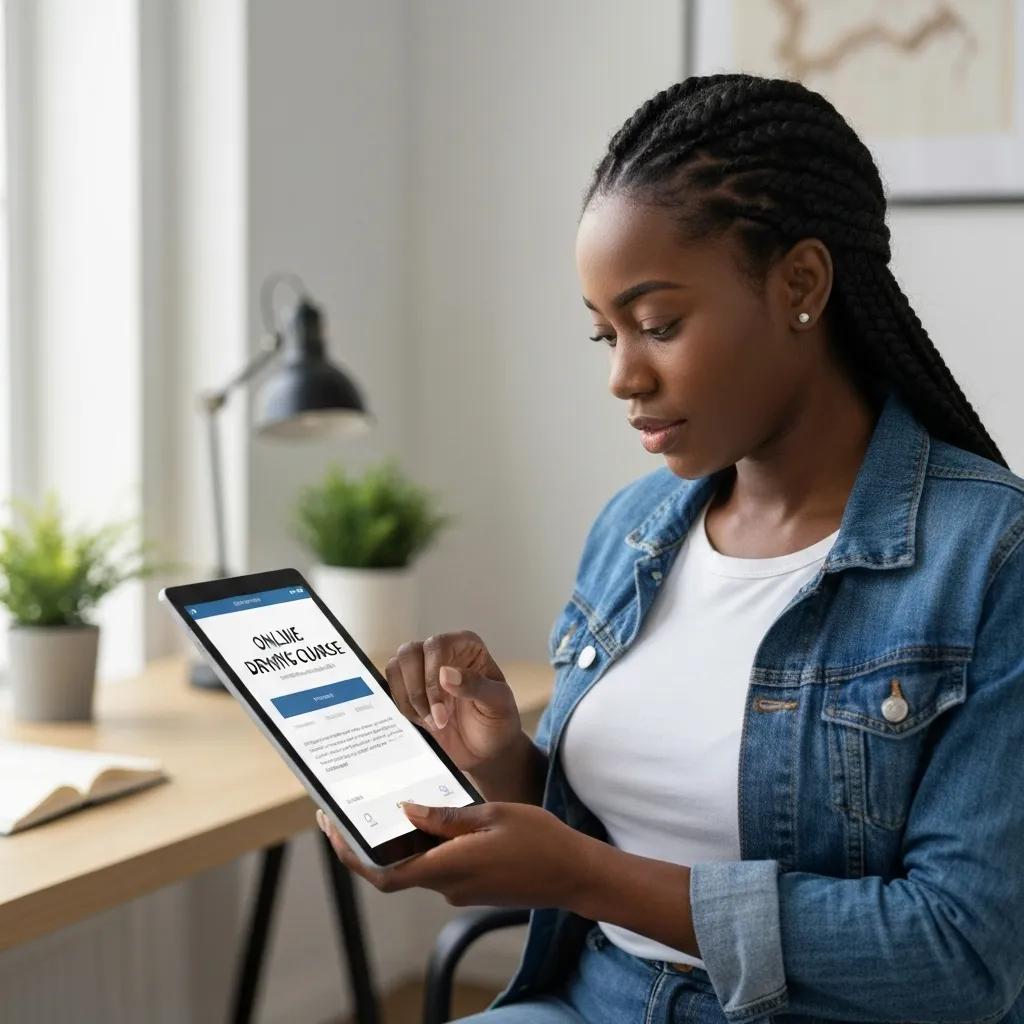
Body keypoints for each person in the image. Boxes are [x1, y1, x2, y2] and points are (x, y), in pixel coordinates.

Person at [316, 72, 1024, 1023]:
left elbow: (962, 955)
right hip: (595, 1000)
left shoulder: (989, 556)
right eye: (605, 333)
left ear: (801, 285)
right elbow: (616, 833)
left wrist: (585, 877)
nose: (623, 375)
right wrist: (504, 768)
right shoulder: (636, 528)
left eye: (657, 324)